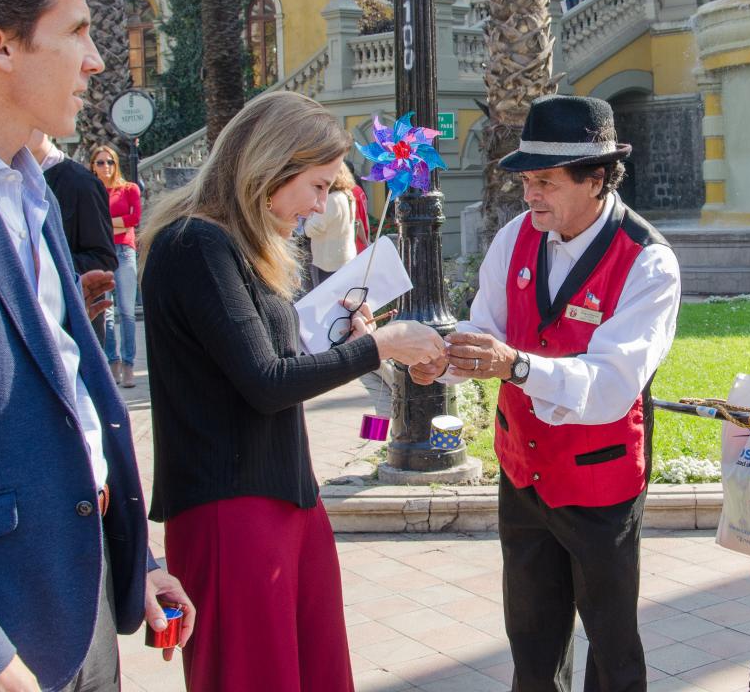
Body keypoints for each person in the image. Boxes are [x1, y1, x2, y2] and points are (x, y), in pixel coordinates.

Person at [0, 0, 193, 692]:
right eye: (78, 32)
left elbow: (78, 397)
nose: (96, 61)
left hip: (81, 602)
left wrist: (136, 562)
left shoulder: (34, 193)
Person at [141, 90, 446, 692]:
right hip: (231, 508)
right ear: (269, 167)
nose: (322, 204)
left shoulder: (235, 247)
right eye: (318, 185)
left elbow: (267, 362)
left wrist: (350, 340)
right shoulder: (196, 245)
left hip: (282, 498)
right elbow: (265, 382)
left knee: (315, 673)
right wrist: (379, 347)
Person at [410, 94, 680, 692]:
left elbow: (611, 386)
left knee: (612, 649)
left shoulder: (648, 262)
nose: (530, 193)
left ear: (598, 179)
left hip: (599, 481)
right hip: (523, 473)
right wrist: (445, 362)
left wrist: (518, 368)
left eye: (546, 182)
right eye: (527, 179)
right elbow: (487, 330)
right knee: (531, 645)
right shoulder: (515, 237)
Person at [31, 130, 118, 346]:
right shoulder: (9, 178)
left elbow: (104, 258)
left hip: (72, 328)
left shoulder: (81, 183)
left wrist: (44, 265)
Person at [91, 143, 142, 387]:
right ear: (93, 166)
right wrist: (118, 223)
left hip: (124, 251)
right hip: (102, 253)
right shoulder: (91, 190)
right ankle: (112, 363)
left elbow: (135, 219)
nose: (106, 166)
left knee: (127, 311)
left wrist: (106, 224)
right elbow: (91, 223)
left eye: (109, 161)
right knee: (106, 312)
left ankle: (129, 365)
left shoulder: (129, 189)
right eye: (100, 162)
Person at [303, 159, 357, 287]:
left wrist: (308, 218)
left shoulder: (332, 199)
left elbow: (313, 229)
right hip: (344, 257)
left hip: (328, 261)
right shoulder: (347, 194)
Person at [346, 159, 372, 253]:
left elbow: (357, 220)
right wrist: (367, 238)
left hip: (356, 241)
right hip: (362, 238)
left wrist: (365, 242)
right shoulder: (359, 189)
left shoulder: (350, 192)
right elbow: (365, 215)